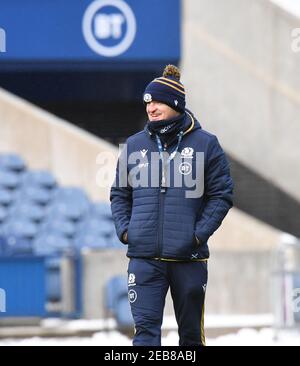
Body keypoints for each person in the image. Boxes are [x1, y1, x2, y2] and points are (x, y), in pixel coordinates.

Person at [110, 65, 233, 346]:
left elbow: (222, 194)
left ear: (175, 103)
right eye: (147, 102)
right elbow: (119, 193)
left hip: (188, 259)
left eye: (157, 101)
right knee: (145, 337)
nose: (151, 108)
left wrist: (197, 234)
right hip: (143, 259)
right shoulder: (133, 145)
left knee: (190, 338)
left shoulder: (207, 144)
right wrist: (127, 231)